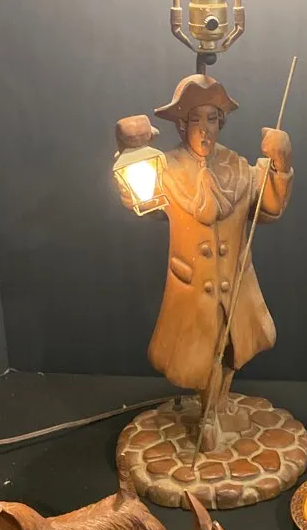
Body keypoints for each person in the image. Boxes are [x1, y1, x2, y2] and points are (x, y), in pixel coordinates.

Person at [114, 74, 293, 451]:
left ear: (221, 122)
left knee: (231, 349)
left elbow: (270, 207)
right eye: (195, 119)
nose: (204, 128)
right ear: (181, 125)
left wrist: (280, 163)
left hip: (236, 282)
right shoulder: (164, 167)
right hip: (192, 284)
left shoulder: (238, 166)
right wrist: (128, 153)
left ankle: (218, 407)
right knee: (201, 352)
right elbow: (141, 200)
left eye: (212, 118)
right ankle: (209, 414)